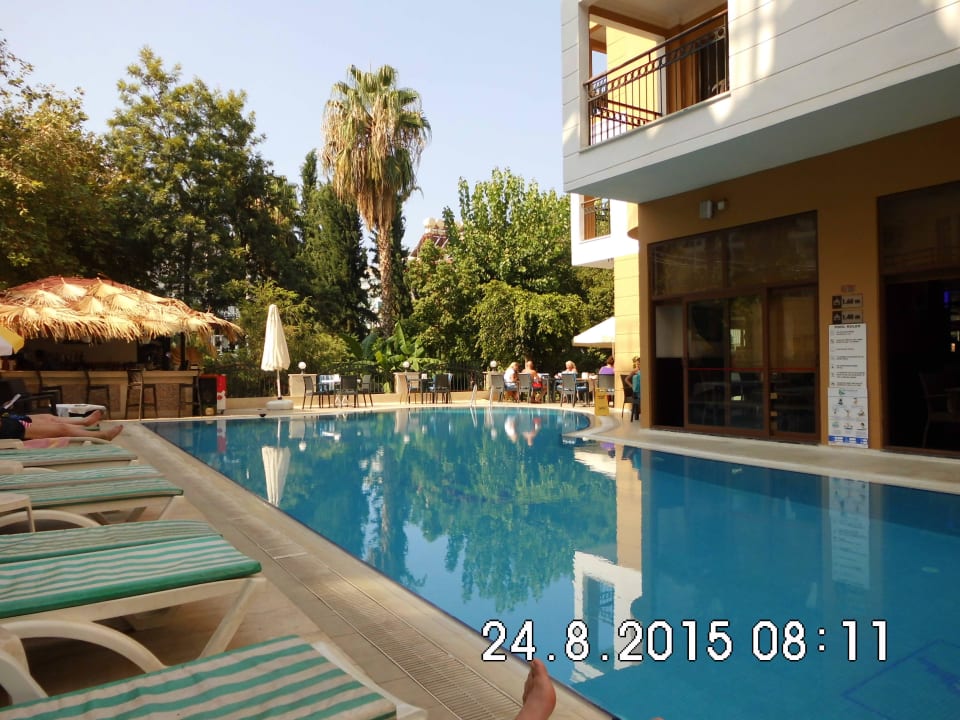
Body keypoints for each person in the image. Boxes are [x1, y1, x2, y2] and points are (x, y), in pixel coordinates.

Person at [0, 409, 123, 441]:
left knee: (47, 417)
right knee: (60, 429)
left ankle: (84, 421)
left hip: (9, 420)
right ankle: (101, 436)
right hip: (9, 429)